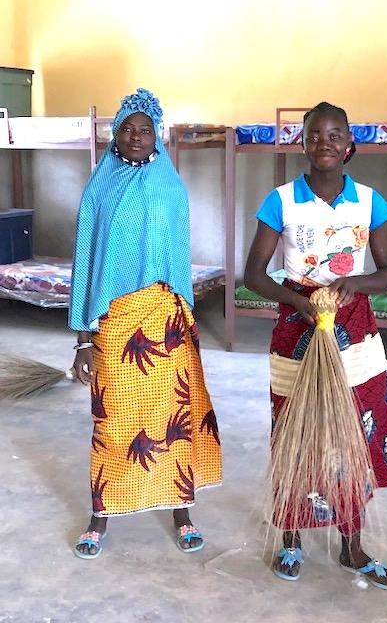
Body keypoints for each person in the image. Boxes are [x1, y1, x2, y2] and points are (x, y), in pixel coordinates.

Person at [244, 101, 387, 590]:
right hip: (297, 326)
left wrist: (356, 283)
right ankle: (290, 538)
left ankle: (353, 546)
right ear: (303, 141)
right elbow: (253, 274)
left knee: (355, 429)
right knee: (296, 430)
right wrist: (301, 302)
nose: (325, 143)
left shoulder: (370, 201)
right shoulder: (281, 200)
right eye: (315, 134)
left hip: (354, 328)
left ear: (349, 144)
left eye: (335, 135)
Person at [69, 88, 222, 559]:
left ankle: (182, 511)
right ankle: (100, 516)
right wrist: (83, 338)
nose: (137, 137)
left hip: (166, 321)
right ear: (116, 135)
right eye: (128, 130)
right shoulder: (100, 186)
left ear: (157, 136)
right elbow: (86, 257)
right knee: (112, 422)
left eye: (146, 130)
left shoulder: (170, 185)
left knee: (174, 419)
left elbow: (177, 253)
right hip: (116, 321)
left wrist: (188, 317)